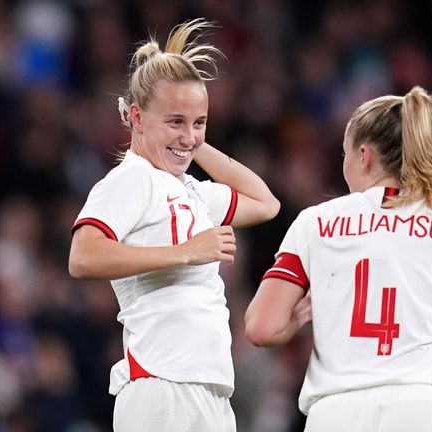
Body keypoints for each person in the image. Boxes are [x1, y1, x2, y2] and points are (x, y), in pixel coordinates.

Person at [245, 86, 432, 431]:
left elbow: (261, 327)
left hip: (337, 413)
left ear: (364, 156)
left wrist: (299, 316)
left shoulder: (316, 221)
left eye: (345, 154)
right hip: (426, 412)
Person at [68, 19, 279, 432]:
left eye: (198, 122)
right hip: (161, 384)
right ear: (136, 117)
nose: (187, 136)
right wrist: (187, 251)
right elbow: (82, 255)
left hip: (209, 387)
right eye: (174, 121)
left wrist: (194, 142)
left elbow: (265, 202)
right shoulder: (133, 179)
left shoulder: (192, 191)